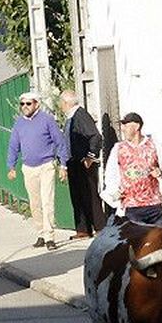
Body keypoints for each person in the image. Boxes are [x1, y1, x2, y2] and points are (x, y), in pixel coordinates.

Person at [5, 90, 68, 249]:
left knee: (47, 201)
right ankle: (40, 232)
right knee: (35, 203)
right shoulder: (19, 123)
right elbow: (13, 146)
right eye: (22, 104)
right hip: (28, 167)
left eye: (28, 103)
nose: (25, 107)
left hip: (46, 165)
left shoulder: (47, 120)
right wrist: (11, 166)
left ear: (36, 104)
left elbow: (60, 142)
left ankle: (49, 236)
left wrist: (63, 165)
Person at [101, 111, 162, 226]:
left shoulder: (154, 145)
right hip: (131, 207)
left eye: (126, 125)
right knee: (135, 242)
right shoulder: (119, 148)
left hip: (153, 206)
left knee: (160, 241)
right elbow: (110, 174)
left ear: (136, 126)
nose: (123, 129)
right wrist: (114, 194)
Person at [59, 90, 105, 238]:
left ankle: (99, 227)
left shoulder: (80, 115)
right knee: (77, 196)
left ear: (66, 103)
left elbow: (95, 136)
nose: (60, 106)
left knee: (90, 195)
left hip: (83, 162)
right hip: (73, 162)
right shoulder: (70, 117)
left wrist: (90, 156)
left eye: (61, 103)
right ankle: (83, 229)